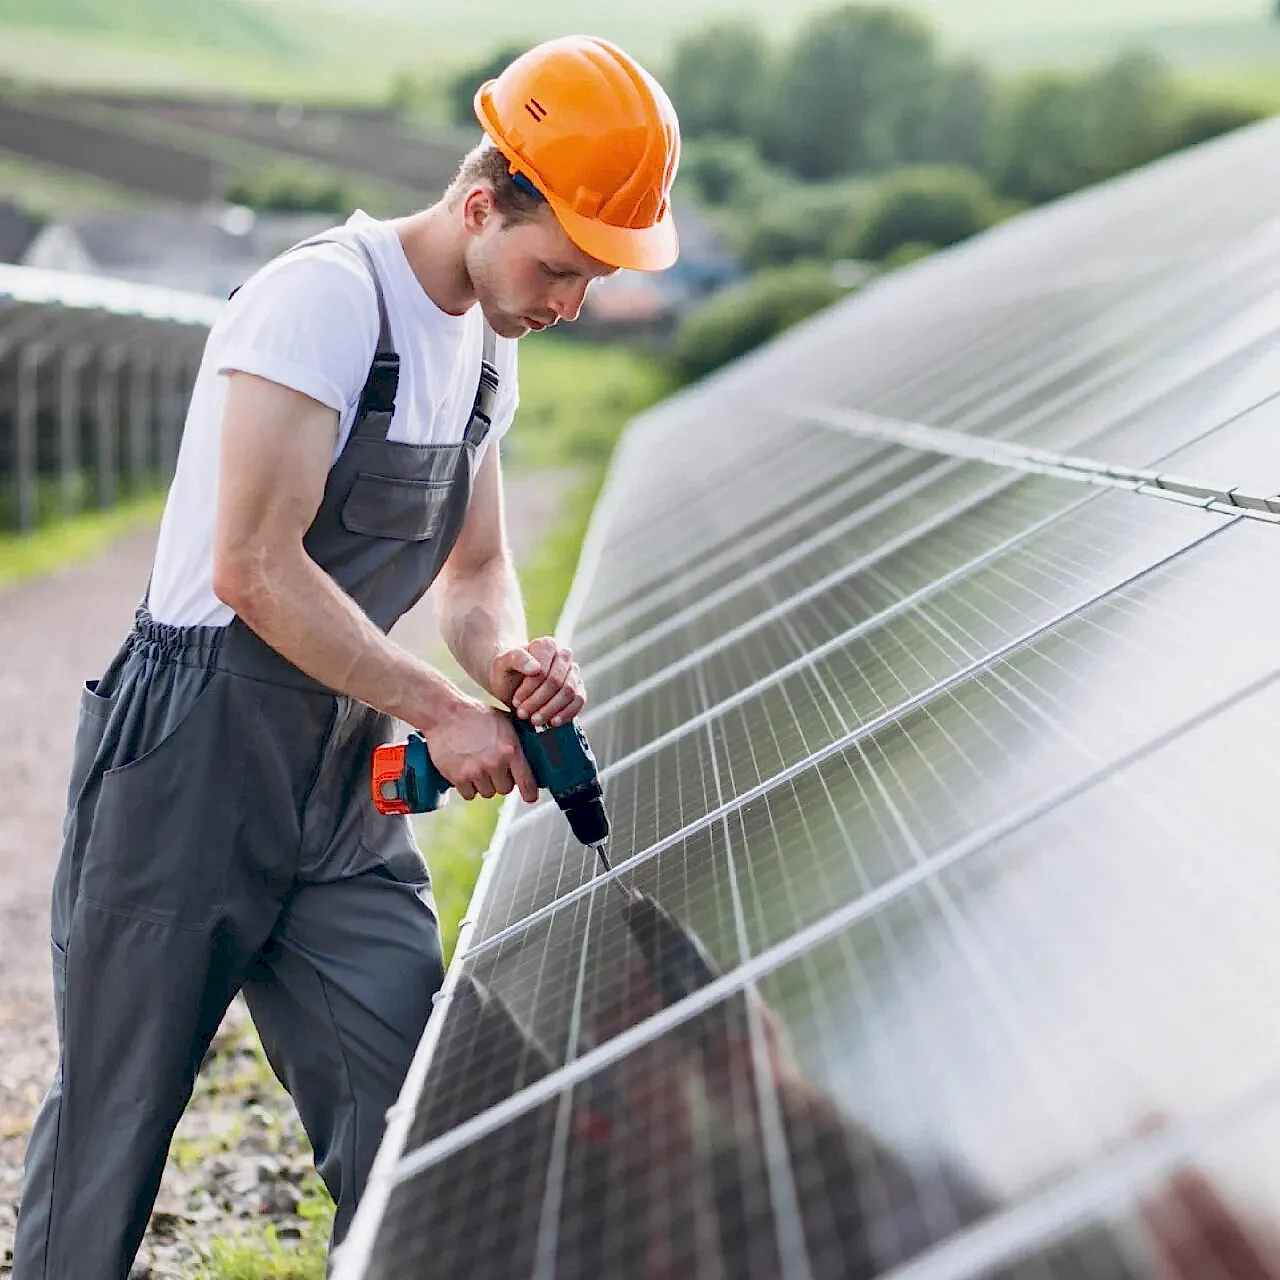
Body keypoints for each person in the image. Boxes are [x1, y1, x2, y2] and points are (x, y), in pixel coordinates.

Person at [11, 33, 682, 1279]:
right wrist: (437, 708)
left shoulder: (490, 349)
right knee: (110, 1137)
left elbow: (473, 575)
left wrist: (511, 665)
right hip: (188, 759)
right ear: (480, 203)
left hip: (340, 778)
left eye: (592, 279)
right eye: (558, 266)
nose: (569, 302)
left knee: (414, 1119)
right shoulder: (324, 298)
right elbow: (252, 566)